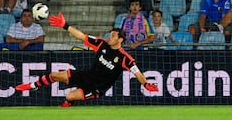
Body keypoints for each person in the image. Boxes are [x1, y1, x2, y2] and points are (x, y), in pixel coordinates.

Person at [15, 13, 159, 107]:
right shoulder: (102, 43)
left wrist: (145, 84)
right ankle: (33, 85)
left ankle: (67, 104)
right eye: (110, 35)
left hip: (97, 87)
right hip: (86, 75)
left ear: (120, 40)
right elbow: (81, 36)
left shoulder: (124, 58)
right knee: (55, 75)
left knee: (70, 96)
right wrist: (64, 25)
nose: (110, 37)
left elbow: (137, 72)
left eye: (113, 36)